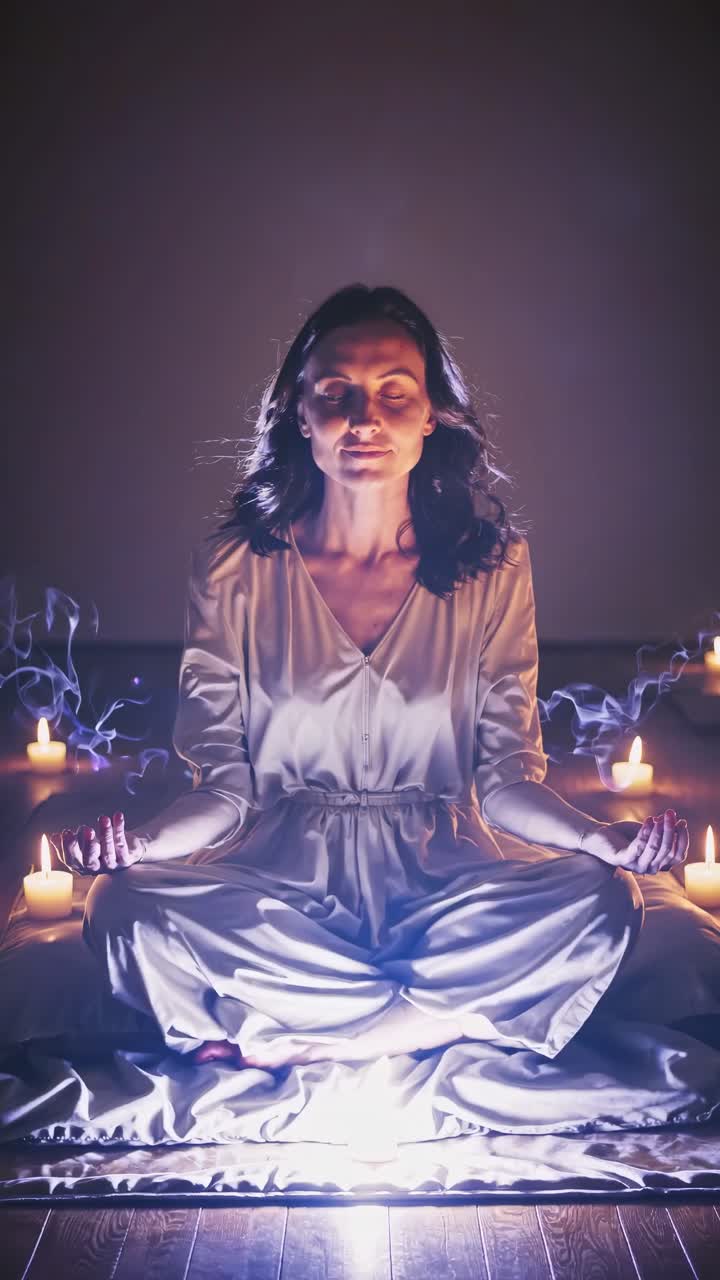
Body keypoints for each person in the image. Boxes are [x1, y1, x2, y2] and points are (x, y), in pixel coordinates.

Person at [55, 283, 689, 1072]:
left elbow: (504, 781)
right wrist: (137, 846)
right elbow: (224, 789)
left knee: (605, 900)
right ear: (299, 412)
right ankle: (437, 1022)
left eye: (395, 393)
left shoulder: (494, 567)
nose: (365, 419)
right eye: (336, 393)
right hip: (282, 889)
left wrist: (600, 838)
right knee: (121, 905)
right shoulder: (232, 568)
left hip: (445, 884)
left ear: (431, 416)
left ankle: (306, 1040)